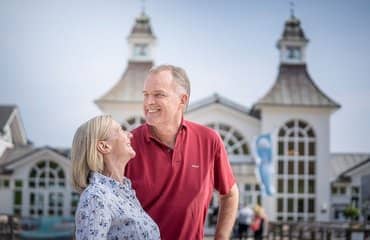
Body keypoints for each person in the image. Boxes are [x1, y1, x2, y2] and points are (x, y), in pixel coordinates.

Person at [125, 65, 239, 240]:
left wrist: (221, 237)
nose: (149, 102)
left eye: (158, 94)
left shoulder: (209, 140)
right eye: (146, 94)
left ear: (182, 100)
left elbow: (230, 194)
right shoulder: (127, 144)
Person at [71, 115, 160, 240]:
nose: (130, 134)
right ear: (104, 146)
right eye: (120, 130)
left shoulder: (125, 194)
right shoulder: (95, 197)